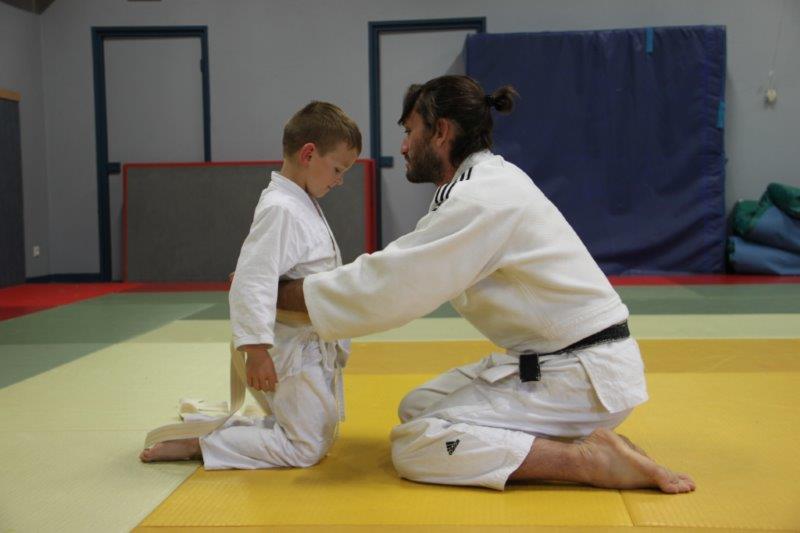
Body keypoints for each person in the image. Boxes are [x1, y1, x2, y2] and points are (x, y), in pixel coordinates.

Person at [275, 75, 696, 492]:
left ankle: (585, 460)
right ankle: (574, 439)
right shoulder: (484, 181)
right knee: (417, 407)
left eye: (410, 131)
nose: (403, 146)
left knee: (415, 444)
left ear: (441, 132)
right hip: (567, 364)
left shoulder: (481, 198)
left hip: (578, 376)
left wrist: (281, 295)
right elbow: (399, 273)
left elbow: (390, 285)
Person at [140, 101, 361, 468]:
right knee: (306, 448)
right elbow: (252, 280)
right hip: (290, 350)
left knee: (319, 431)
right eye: (338, 169)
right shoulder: (281, 208)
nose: (339, 180)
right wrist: (256, 351)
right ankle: (201, 443)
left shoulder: (300, 202)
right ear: (309, 154)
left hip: (308, 345)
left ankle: (216, 429)